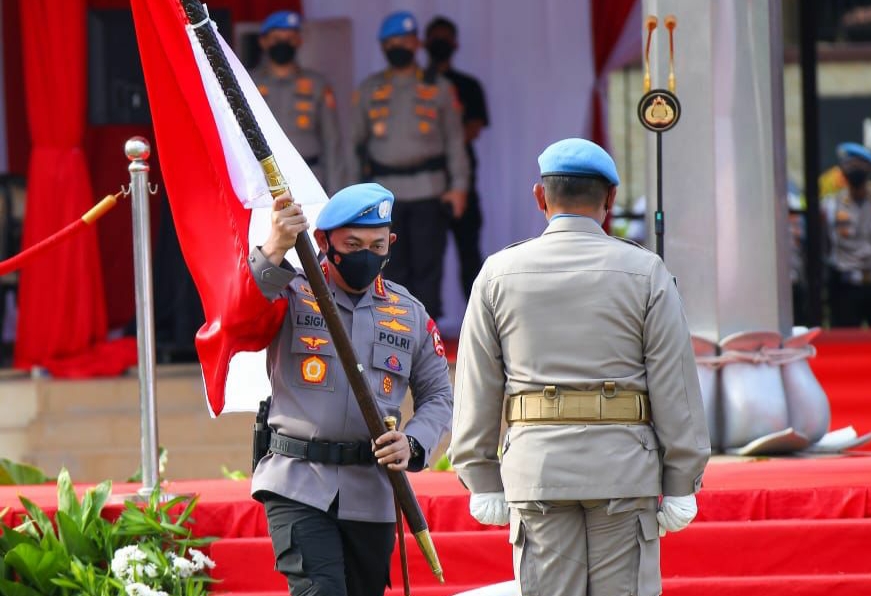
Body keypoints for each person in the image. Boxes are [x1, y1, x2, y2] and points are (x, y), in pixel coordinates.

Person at [450, 139, 711, 596]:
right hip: (623, 467)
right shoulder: (645, 272)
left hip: (537, 469)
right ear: (611, 198)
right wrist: (682, 478)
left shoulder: (497, 273)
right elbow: (675, 385)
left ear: (540, 197)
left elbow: (477, 384)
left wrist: (480, 474)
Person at [248, 183, 453, 596]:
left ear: (391, 243)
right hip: (299, 481)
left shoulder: (409, 313)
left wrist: (413, 443)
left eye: (377, 245)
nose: (366, 255)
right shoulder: (291, 291)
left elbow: (438, 396)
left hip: (372, 493)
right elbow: (240, 314)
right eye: (353, 244)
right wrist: (274, 247)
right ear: (324, 242)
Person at [351, 10, 469, 319]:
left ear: (417, 43)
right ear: (382, 46)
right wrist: (353, 194)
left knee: (428, 267)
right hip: (384, 194)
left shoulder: (440, 87)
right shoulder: (369, 89)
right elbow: (353, 145)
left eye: (405, 40)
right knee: (388, 265)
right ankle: (393, 329)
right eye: (392, 42)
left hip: (429, 189)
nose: (399, 47)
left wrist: (459, 187)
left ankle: (426, 333)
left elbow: (455, 141)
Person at [424, 16, 490, 299]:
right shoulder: (418, 86)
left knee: (469, 254)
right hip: (427, 181)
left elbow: (473, 128)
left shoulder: (468, 85)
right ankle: (425, 317)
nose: (440, 44)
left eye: (445, 38)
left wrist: (445, 142)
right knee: (426, 257)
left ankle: (478, 313)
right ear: (425, 43)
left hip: (462, 180)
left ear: (455, 44)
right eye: (435, 38)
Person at [251, 10, 343, 194]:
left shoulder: (317, 84)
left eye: (290, 38)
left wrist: (335, 193)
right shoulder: (248, 82)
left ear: (299, 41)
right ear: (263, 41)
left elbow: (332, 141)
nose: (283, 44)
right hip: (262, 182)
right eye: (277, 38)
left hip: (309, 178)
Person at [824, 142, 871, 327]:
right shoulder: (831, 205)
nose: (854, 170)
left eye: (859, 166)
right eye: (850, 166)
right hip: (845, 286)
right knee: (844, 339)